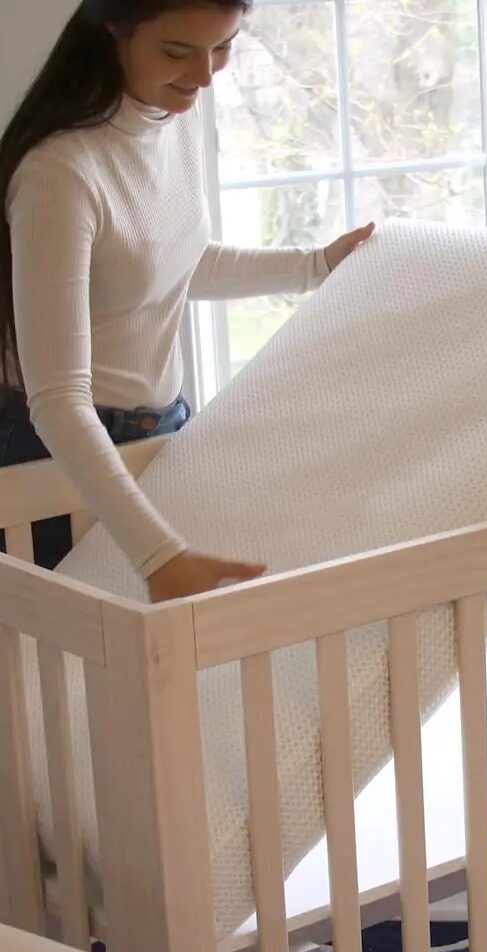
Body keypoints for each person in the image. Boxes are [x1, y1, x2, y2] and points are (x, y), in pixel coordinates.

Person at [0, 0, 374, 601]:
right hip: (60, 457)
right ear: (114, 27)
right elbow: (59, 402)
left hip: (164, 429)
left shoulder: (173, 118)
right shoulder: (58, 174)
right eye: (177, 52)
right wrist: (159, 557)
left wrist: (316, 265)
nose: (203, 77)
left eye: (222, 48)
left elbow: (168, 262)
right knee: (72, 659)